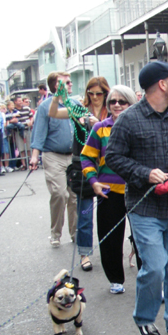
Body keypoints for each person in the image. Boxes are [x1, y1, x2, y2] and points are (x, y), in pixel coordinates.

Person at [104, 61, 168, 335]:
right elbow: (113, 157)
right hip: (145, 209)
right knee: (155, 267)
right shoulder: (129, 119)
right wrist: (145, 174)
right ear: (162, 84)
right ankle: (145, 319)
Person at [80, 84, 139, 294]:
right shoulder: (100, 128)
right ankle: (115, 279)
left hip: (139, 191)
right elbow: (86, 156)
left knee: (144, 237)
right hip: (109, 191)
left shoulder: (140, 126)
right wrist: (93, 181)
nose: (116, 105)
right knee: (110, 239)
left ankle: (149, 279)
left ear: (131, 103)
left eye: (122, 101)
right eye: (112, 101)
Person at [51, 76, 108, 270]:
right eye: (90, 93)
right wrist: (56, 96)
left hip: (107, 167)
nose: (94, 97)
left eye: (98, 93)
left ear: (105, 93)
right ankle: (84, 254)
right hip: (84, 167)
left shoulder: (112, 110)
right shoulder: (79, 110)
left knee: (108, 214)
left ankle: (110, 253)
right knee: (84, 213)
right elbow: (53, 113)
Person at [30, 72, 78, 248]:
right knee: (59, 193)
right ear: (55, 86)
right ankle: (56, 233)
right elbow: (39, 133)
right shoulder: (45, 107)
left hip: (74, 156)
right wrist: (34, 157)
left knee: (74, 197)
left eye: (69, 81)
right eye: (65, 82)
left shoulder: (75, 104)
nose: (70, 84)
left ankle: (75, 233)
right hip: (53, 156)